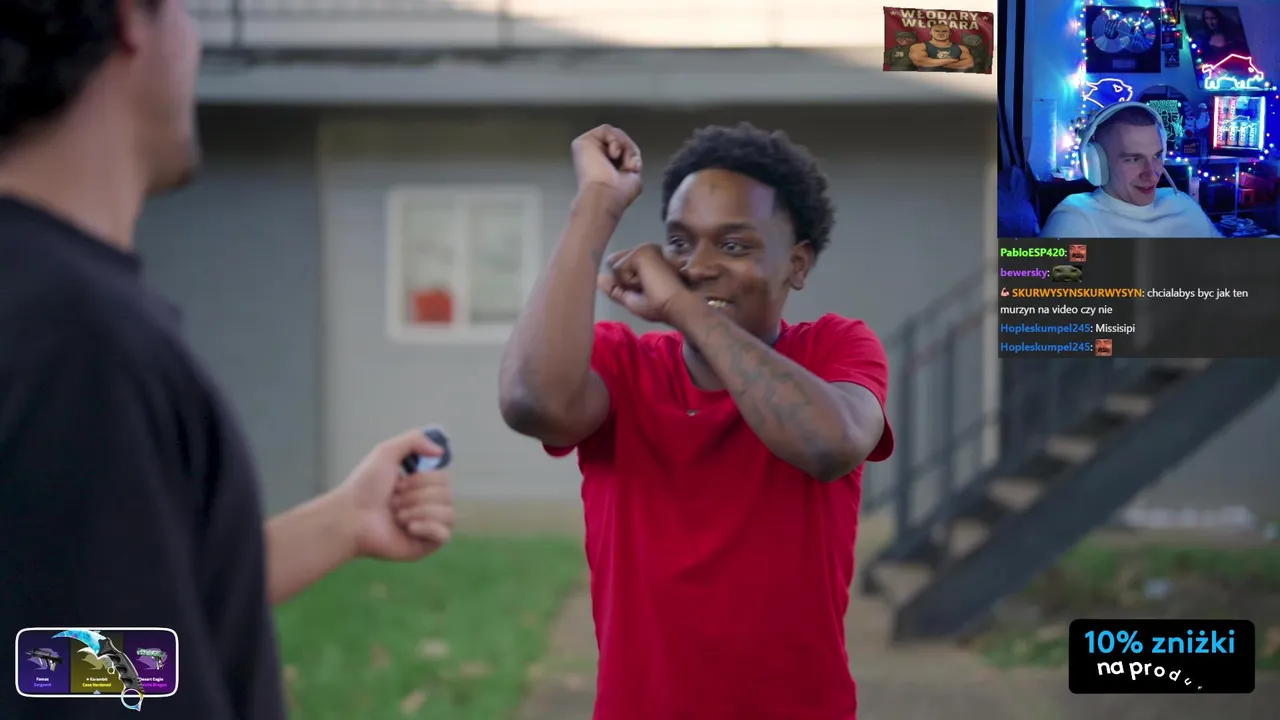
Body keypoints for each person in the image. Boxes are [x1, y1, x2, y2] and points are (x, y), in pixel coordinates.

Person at [0, 2, 455, 717]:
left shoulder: (41, 303)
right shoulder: (76, 337)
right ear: (130, 20)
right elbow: (66, 682)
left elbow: (47, 656)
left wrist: (344, 521)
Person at [498, 123, 894, 719]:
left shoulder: (833, 349)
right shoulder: (622, 365)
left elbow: (829, 443)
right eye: (679, 243)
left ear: (797, 264)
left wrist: (681, 308)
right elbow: (532, 403)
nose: (697, 265)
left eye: (733, 246)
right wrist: (597, 205)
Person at [1042, 104, 1220, 238]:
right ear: (1097, 163)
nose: (1152, 174)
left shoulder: (1183, 203)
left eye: (1157, 156)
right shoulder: (1076, 220)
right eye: (1133, 159)